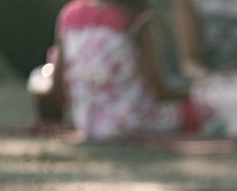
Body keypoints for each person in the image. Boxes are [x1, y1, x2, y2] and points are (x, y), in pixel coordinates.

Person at [36, 0, 210, 140]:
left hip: (87, 124)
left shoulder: (69, 15)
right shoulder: (138, 19)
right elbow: (159, 91)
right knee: (205, 109)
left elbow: (57, 89)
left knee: (36, 77)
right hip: (133, 123)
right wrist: (198, 92)